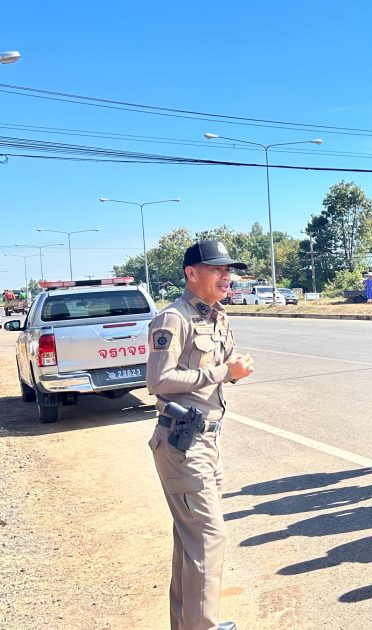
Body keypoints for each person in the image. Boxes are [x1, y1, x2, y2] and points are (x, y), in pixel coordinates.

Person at [146, 239, 252, 630]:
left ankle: (187, 624)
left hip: (206, 440)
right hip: (183, 444)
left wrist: (234, 371)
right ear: (192, 274)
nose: (227, 276)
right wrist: (225, 372)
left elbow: (218, 368)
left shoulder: (216, 316)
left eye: (229, 270)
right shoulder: (173, 319)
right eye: (217, 269)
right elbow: (158, 380)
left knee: (191, 541)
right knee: (208, 537)